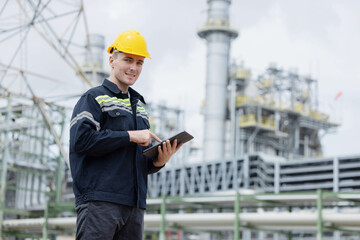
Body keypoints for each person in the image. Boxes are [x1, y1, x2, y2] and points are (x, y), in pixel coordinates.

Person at [69, 30, 183, 240]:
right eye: (128, 60)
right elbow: (81, 141)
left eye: (139, 63)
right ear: (112, 60)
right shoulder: (93, 98)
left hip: (134, 205)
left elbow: (136, 162)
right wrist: (130, 135)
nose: (134, 67)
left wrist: (159, 161)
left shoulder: (139, 107)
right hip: (99, 203)